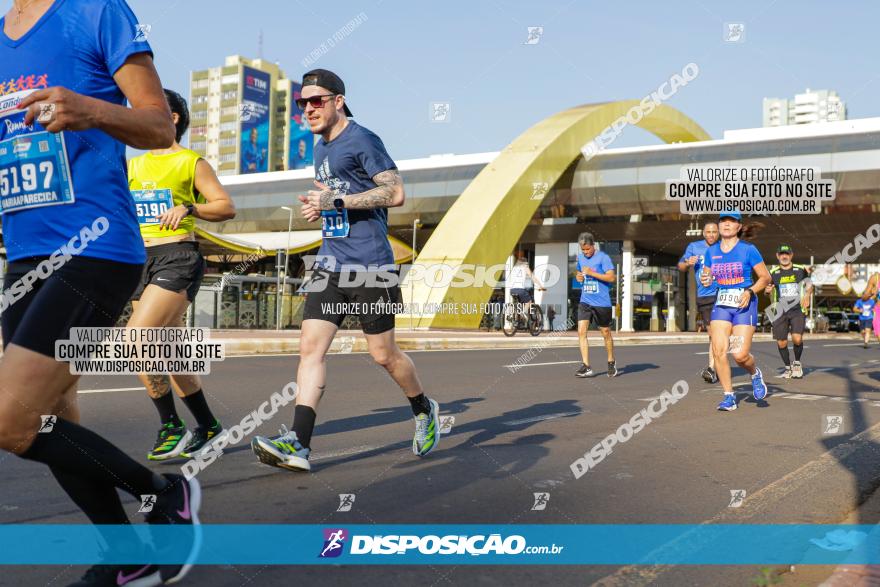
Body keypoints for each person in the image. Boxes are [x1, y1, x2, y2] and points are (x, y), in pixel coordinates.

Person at [0, 1, 201, 585]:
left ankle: (165, 492)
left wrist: (87, 108)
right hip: (27, 257)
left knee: (11, 422)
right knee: (51, 417)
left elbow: (159, 125)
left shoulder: (95, 11)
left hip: (94, 248)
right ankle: (127, 554)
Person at [250, 69, 440, 471]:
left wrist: (335, 202)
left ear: (339, 101)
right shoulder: (319, 149)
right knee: (309, 348)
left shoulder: (363, 139)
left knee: (383, 355)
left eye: (316, 101)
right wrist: (317, 208)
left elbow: (395, 192)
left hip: (371, 265)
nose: (308, 109)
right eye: (303, 103)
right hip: (329, 262)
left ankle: (423, 409)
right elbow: (333, 200)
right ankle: (299, 444)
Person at [127, 89, 236, 461]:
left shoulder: (191, 162)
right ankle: (208, 426)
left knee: (138, 339)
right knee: (170, 354)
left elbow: (225, 206)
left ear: (172, 117)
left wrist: (189, 206)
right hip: (141, 259)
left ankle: (170, 424)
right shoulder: (134, 165)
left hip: (178, 256)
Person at [700, 212, 771, 411]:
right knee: (719, 351)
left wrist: (750, 291)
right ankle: (729, 396)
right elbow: (706, 276)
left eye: (731, 221)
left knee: (739, 355)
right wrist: (706, 279)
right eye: (723, 221)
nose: (726, 224)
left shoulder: (748, 250)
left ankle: (755, 373)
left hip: (744, 304)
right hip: (722, 304)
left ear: (739, 227)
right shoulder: (711, 251)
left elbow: (765, 278)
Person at [678, 222, 719, 382]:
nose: (711, 235)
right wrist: (688, 263)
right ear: (703, 233)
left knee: (718, 333)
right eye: (708, 232)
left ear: (719, 233)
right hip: (705, 295)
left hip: (723, 294)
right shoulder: (694, 247)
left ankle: (712, 368)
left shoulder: (724, 246)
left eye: (714, 232)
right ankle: (716, 365)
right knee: (713, 334)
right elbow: (681, 265)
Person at [764, 244, 812, 378]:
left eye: (787, 254)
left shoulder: (800, 269)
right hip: (778, 310)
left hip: (797, 309)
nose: (784, 256)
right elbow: (767, 290)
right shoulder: (772, 272)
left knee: (797, 339)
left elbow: (809, 285)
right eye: (781, 254)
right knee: (781, 342)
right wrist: (767, 291)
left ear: (791, 255)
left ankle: (797, 363)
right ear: (777, 256)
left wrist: (807, 295)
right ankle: (787, 367)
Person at [574, 232, 618, 378]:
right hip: (585, 300)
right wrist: (579, 276)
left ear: (593, 245)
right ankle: (586, 366)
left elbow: (611, 277)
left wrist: (592, 273)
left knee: (605, 333)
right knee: (581, 331)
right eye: (583, 250)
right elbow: (579, 274)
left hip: (602, 302)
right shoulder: (580, 257)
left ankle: (611, 361)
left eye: (588, 249)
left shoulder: (603, 258)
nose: (585, 252)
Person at [508, 250, 546, 320]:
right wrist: (540, 286)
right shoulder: (524, 266)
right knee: (529, 301)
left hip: (512, 290)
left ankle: (515, 317)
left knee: (520, 303)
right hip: (520, 290)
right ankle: (524, 313)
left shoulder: (514, 268)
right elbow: (532, 276)